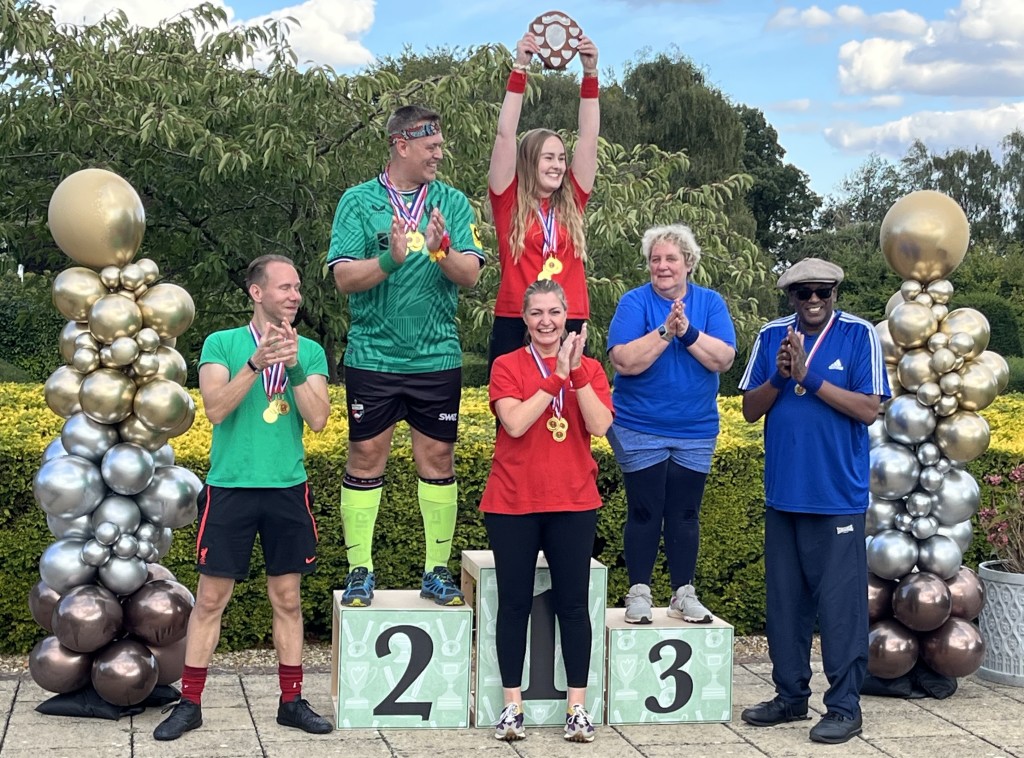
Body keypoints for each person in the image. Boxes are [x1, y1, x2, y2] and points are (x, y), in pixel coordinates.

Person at [154, 255, 332, 740]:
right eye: (284, 288)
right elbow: (214, 409)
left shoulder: (310, 351)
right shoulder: (222, 344)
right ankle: (189, 704)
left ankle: (291, 702)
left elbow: (318, 420)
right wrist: (256, 363)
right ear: (257, 293)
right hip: (230, 487)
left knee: (287, 599)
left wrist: (293, 368)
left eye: (297, 288)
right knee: (210, 599)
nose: (295, 296)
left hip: (286, 489)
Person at [327, 104, 485, 608]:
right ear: (402, 145)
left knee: (438, 458)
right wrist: (391, 259)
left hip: (436, 356)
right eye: (431, 146)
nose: (440, 153)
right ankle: (360, 572)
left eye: (440, 144)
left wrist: (440, 251)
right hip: (373, 357)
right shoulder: (357, 201)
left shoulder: (453, 202)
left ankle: (436, 572)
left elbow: (471, 275)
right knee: (366, 457)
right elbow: (344, 279)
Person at [737, 258, 889, 745]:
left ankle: (845, 706)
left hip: (837, 497)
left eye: (823, 291)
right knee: (786, 605)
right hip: (784, 495)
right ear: (790, 297)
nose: (814, 300)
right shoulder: (770, 336)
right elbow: (748, 409)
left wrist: (811, 377)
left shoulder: (859, 334)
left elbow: (869, 409)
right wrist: (782, 377)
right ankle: (790, 696)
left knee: (840, 609)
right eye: (804, 293)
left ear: (836, 292)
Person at [480, 279, 613, 743]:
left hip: (574, 501)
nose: (546, 321)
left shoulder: (591, 369)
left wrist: (574, 375)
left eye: (554, 312)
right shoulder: (507, 365)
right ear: (525, 319)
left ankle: (577, 708)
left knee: (574, 606)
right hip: (513, 501)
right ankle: (511, 706)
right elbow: (514, 423)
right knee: (514, 604)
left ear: (567, 316)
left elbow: (599, 425)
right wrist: (554, 376)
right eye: (536, 313)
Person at [606, 224, 736, 624]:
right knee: (644, 510)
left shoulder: (710, 303)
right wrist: (666, 331)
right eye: (655, 259)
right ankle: (639, 593)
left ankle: (683, 593)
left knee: (684, 513)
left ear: (689, 263)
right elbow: (625, 361)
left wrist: (688, 331)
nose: (662, 266)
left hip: (695, 430)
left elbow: (723, 359)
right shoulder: (633, 302)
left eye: (670, 259)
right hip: (638, 426)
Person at [487, 30, 599, 373]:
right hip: (515, 316)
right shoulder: (507, 199)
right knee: (512, 410)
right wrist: (520, 67)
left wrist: (590, 75)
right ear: (528, 161)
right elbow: (506, 134)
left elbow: (589, 137)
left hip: (570, 314)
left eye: (561, 158)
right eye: (548, 158)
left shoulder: (572, 201)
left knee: (567, 408)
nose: (558, 166)